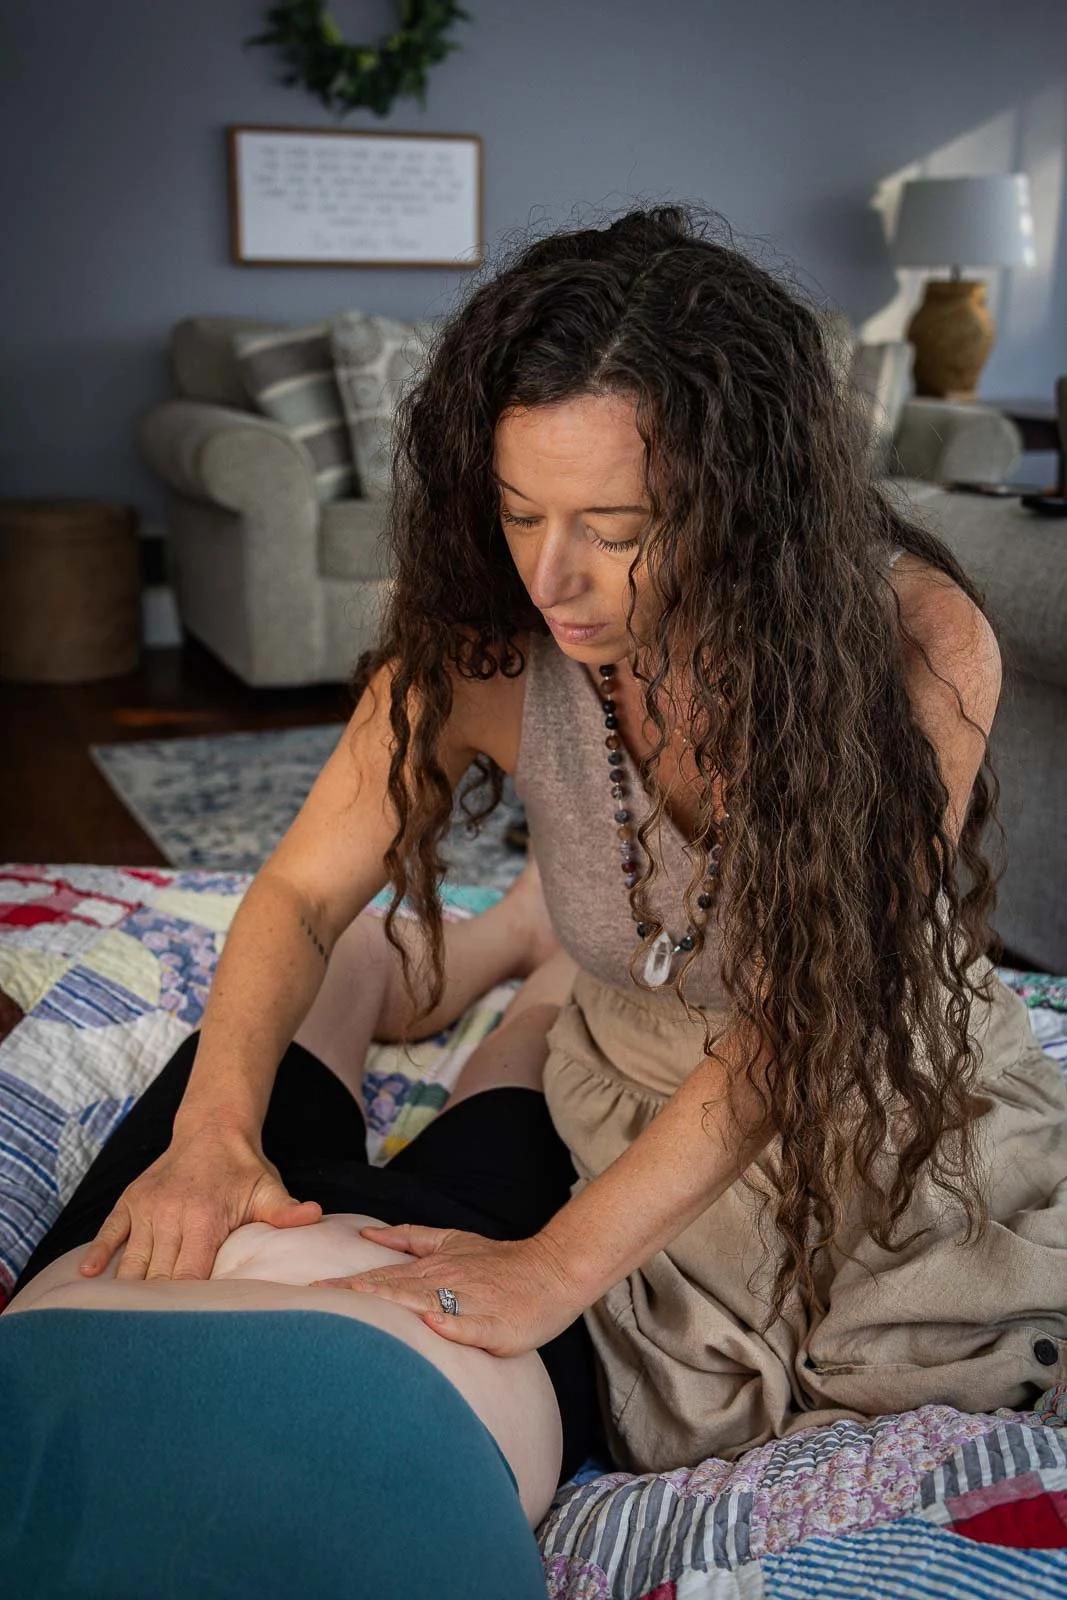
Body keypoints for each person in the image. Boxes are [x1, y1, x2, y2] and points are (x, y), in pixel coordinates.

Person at [16, 200, 1067, 1483]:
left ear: (751, 509)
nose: (550, 582)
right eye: (521, 514)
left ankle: (540, 933)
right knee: (540, 983)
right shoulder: (482, 639)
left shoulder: (913, 647)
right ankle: (547, 927)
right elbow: (298, 896)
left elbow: (804, 1019)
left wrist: (552, 1265)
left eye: (618, 532)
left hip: (828, 1056)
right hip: (633, 1040)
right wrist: (211, 1134)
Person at [2, 866, 591, 1595]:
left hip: (163, 1236)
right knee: (551, 1028)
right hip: (454, 1309)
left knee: (339, 960)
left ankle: (516, 928)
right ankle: (546, 925)